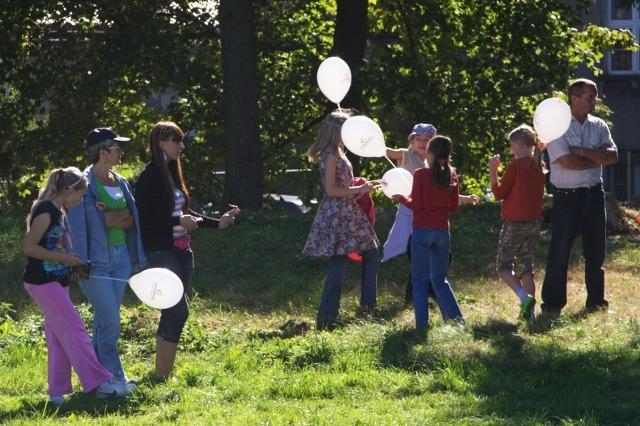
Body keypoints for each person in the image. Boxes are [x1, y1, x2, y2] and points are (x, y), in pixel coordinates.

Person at [134, 121, 239, 380]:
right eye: (176, 140)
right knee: (177, 310)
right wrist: (177, 222)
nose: (181, 146)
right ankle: (160, 374)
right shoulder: (149, 177)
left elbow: (186, 214)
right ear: (160, 142)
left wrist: (218, 223)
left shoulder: (172, 171)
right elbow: (145, 219)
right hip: (160, 252)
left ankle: (163, 375)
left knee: (173, 313)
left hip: (182, 252)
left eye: (181, 141)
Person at [23, 167, 121, 405]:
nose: (80, 200)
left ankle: (57, 392)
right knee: (76, 331)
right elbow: (30, 248)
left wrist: (72, 264)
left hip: (58, 280)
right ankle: (99, 383)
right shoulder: (45, 211)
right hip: (42, 283)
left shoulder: (61, 211)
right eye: (80, 194)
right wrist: (64, 259)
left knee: (58, 336)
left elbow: (56, 247)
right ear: (68, 190)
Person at [67, 127, 146, 394]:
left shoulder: (121, 182)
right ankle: (114, 380)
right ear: (103, 152)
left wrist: (109, 217)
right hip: (95, 261)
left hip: (121, 257)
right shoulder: (83, 185)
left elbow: (133, 219)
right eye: (116, 148)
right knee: (111, 320)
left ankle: (102, 381)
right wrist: (78, 261)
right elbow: (78, 226)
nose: (121, 152)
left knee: (105, 320)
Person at [541, 78, 618, 315]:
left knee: (596, 253)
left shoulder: (599, 125)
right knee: (560, 252)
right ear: (574, 98)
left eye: (594, 96)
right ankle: (553, 304)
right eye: (589, 97)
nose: (594, 101)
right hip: (567, 197)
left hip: (594, 195)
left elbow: (613, 156)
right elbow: (566, 162)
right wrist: (596, 158)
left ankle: (596, 302)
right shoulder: (557, 126)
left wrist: (583, 152)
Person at [302, 109, 382, 331]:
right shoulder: (329, 155)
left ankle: (367, 308)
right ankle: (327, 316)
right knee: (340, 261)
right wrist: (360, 188)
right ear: (336, 130)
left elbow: (344, 183)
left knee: (371, 252)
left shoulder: (340, 152)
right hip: (338, 214)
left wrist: (363, 185)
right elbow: (331, 190)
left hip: (350, 211)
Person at [383, 123, 479, 306]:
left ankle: (427, 292)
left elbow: (444, 195)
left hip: (427, 215)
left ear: (433, 146)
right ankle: (416, 297)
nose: (422, 143)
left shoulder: (438, 168)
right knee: (418, 257)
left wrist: (465, 198)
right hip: (410, 214)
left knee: (437, 257)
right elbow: (385, 151)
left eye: (427, 140)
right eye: (418, 139)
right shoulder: (406, 154)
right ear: (411, 142)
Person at [392, 136, 463, 329]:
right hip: (442, 232)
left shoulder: (421, 174)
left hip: (422, 232)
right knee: (440, 280)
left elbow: (417, 206)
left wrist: (402, 199)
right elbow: (454, 207)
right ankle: (457, 321)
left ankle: (421, 326)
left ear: (429, 154)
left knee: (419, 281)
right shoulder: (452, 175)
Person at [488, 124, 546, 322]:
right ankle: (531, 317)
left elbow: (498, 194)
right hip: (534, 223)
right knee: (526, 267)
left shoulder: (515, 166)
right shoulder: (539, 165)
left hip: (514, 223)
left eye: (511, 145)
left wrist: (493, 171)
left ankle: (524, 298)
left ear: (519, 144)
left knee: (503, 266)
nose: (510, 149)